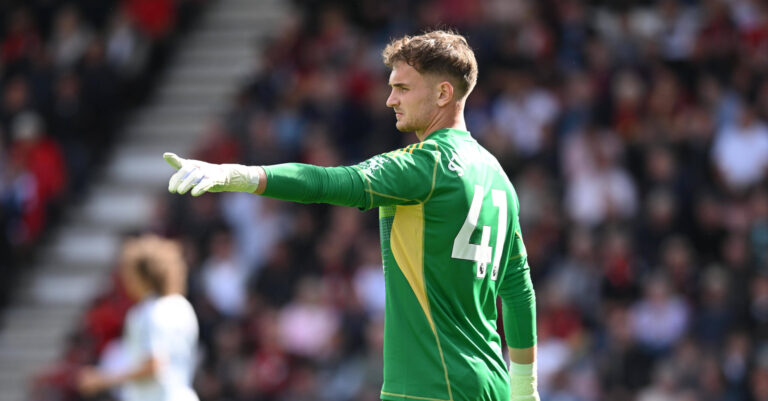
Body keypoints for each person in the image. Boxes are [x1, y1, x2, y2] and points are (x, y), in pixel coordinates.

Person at [164, 30, 538, 401]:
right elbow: (518, 292)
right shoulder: (498, 177)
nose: (391, 99)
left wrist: (236, 175)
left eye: (404, 88)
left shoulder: (427, 164)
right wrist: (525, 391)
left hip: (430, 386)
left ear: (443, 93)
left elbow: (328, 182)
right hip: (492, 386)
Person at [78, 235, 199, 401]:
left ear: (143, 276)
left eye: (129, 274)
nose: (126, 281)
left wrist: (102, 380)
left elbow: (154, 364)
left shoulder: (148, 313)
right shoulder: (183, 307)